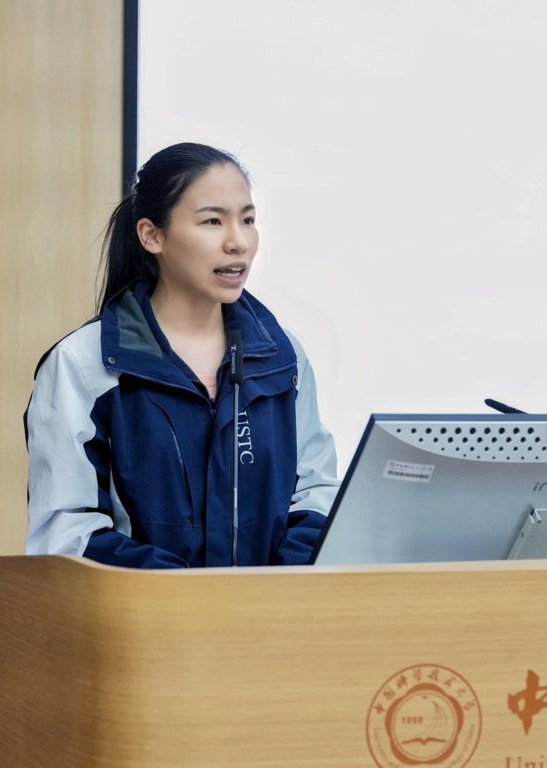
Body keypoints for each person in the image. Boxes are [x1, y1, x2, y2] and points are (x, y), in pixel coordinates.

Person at [25, 142, 339, 568]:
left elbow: (316, 494)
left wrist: (278, 589)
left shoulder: (284, 358)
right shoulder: (82, 365)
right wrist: (188, 598)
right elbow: (65, 535)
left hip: (271, 610)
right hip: (145, 611)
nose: (238, 242)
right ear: (152, 235)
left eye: (248, 220)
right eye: (213, 221)